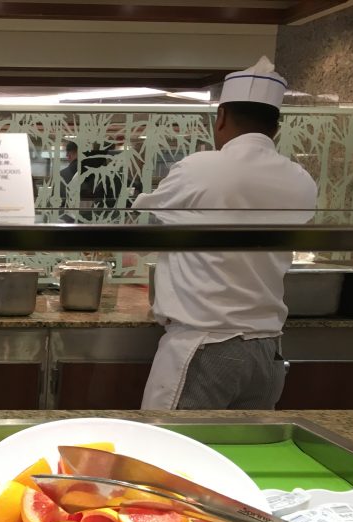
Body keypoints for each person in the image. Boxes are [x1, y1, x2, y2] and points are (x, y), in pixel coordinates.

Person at [132, 57, 318, 410]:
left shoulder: (199, 169)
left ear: (221, 118)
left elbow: (142, 221)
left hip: (206, 348)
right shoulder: (301, 181)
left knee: (173, 453)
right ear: (275, 128)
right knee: (240, 453)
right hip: (266, 352)